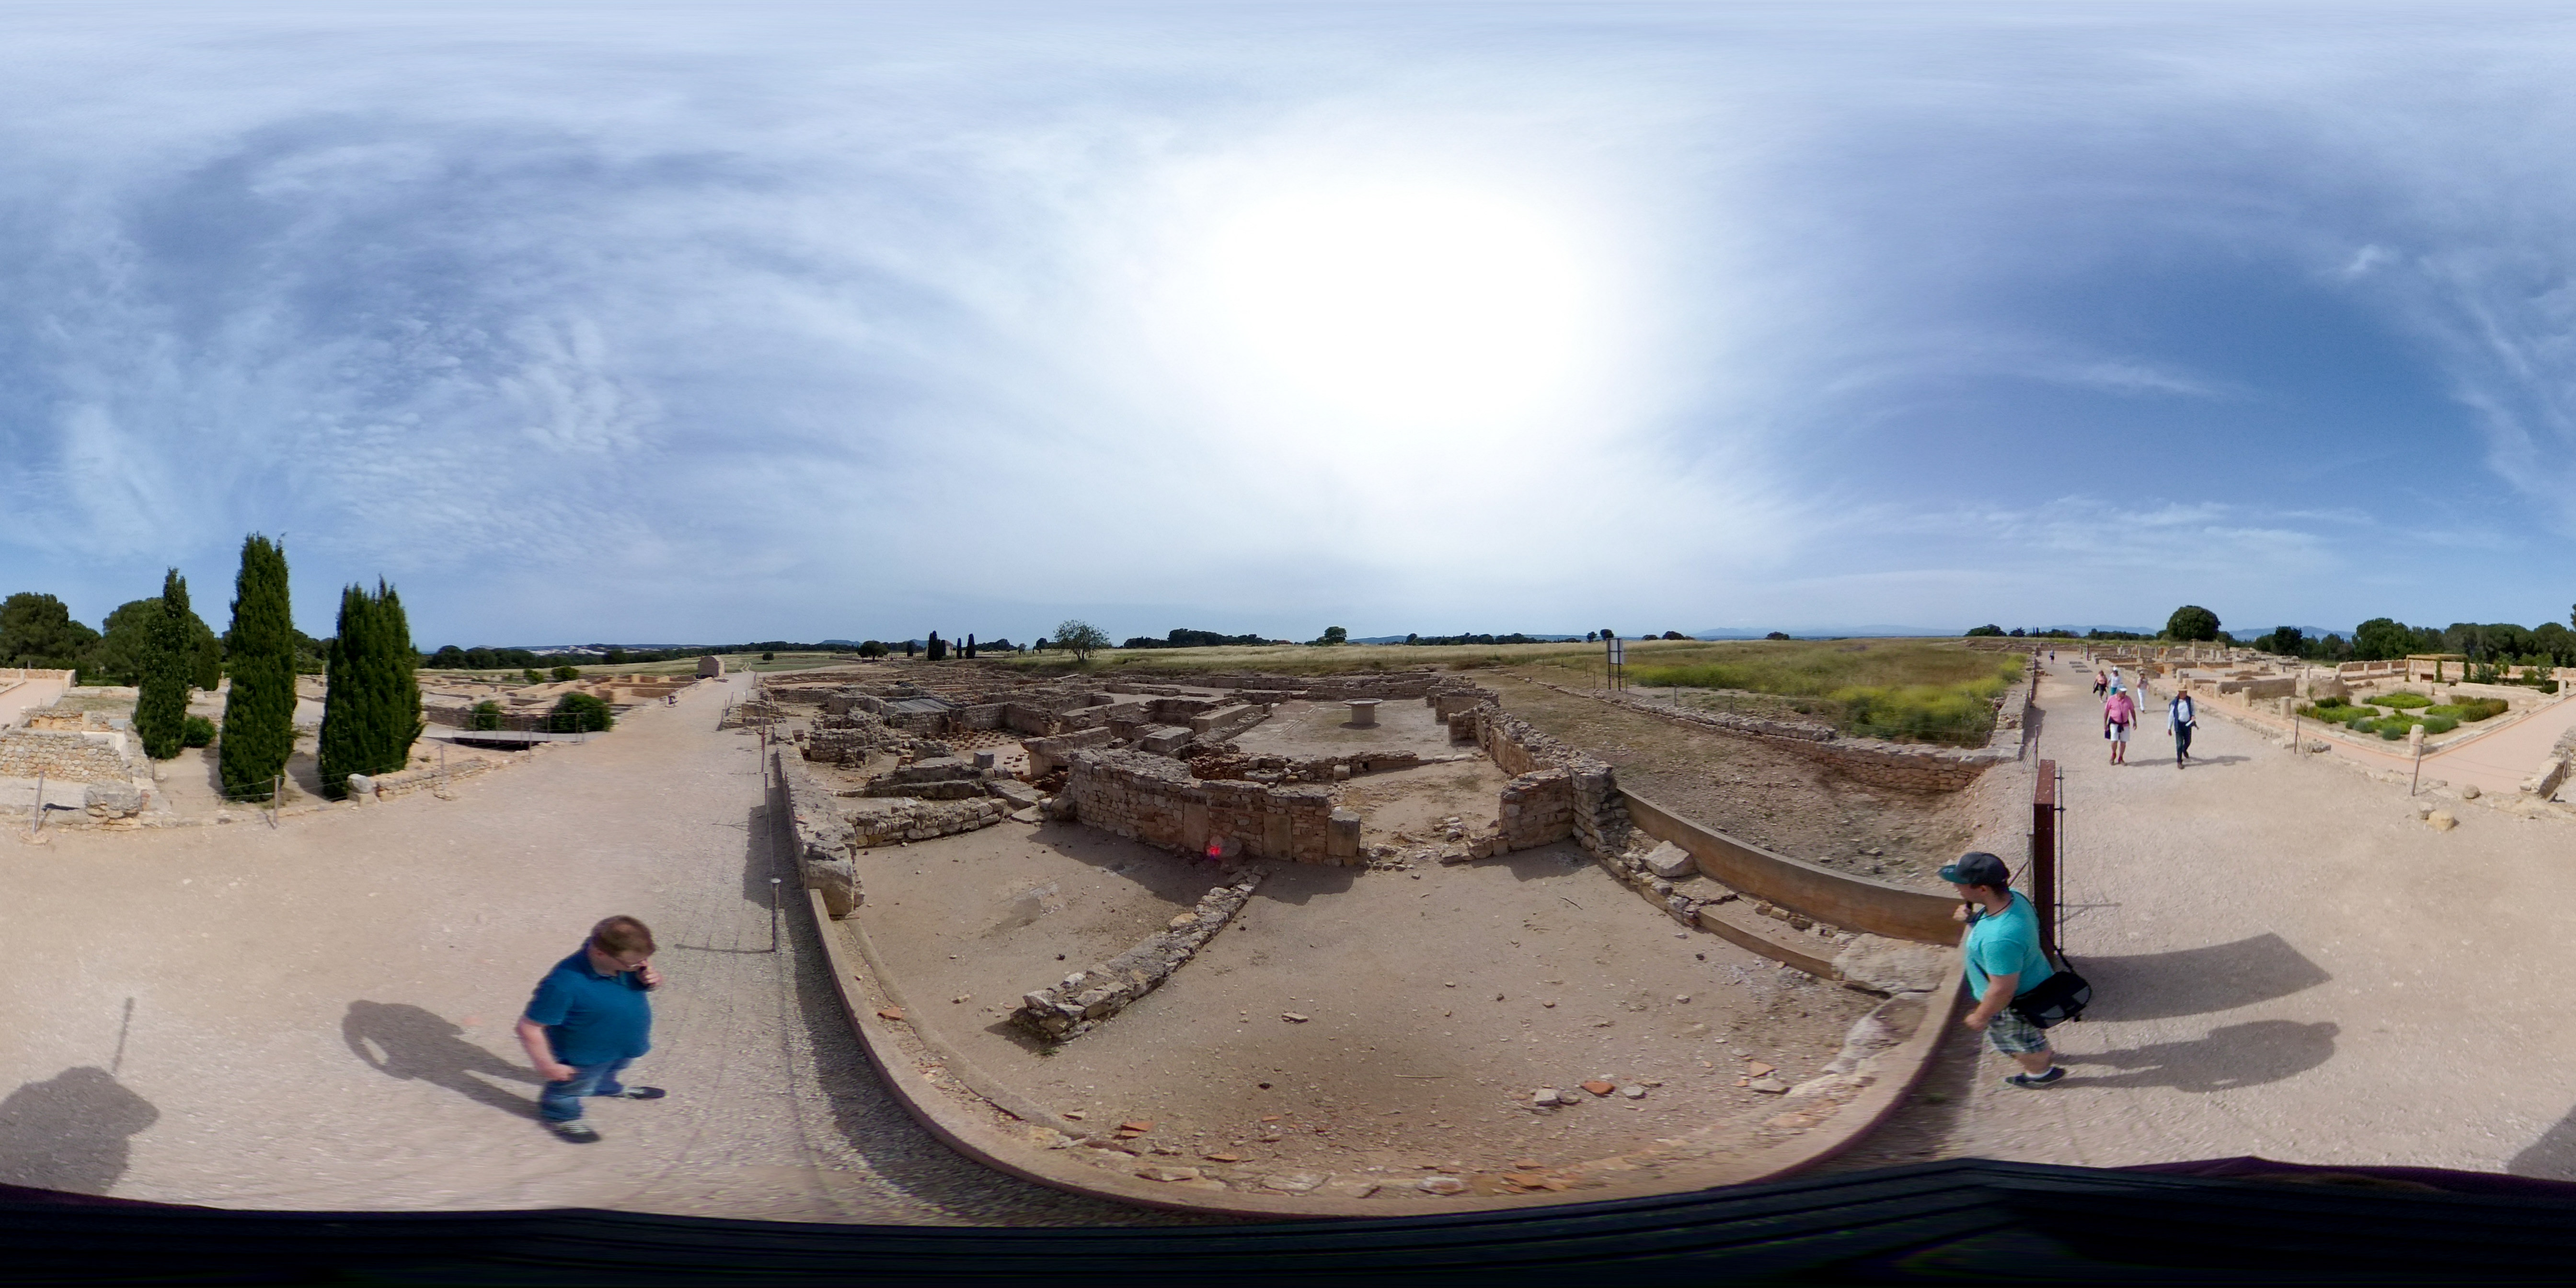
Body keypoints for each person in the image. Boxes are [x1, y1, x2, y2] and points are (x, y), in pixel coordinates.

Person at [517, 915, 667, 1143]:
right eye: (632, 964)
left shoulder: (626, 960)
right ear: (600, 954)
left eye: (645, 960)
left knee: (612, 1069)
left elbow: (641, 971)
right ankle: (560, 1115)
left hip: (624, 1045)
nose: (641, 966)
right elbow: (528, 1028)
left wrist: (653, 979)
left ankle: (603, 1087)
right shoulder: (564, 984)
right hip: (585, 1055)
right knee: (568, 1088)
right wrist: (547, 1065)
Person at [1942, 851, 2062, 1089]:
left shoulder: (1999, 939)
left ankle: (2041, 1072)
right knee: (2030, 1030)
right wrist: (1973, 920)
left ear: (1983, 889)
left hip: (2014, 1004)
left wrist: (1980, 1016)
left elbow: (2002, 990)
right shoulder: (2015, 898)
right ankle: (2039, 1050)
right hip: (2037, 983)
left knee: (2016, 1040)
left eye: (1960, 883)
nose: (1955, 887)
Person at [2167, 683, 2197, 767]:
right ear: (2180, 692)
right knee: (2179, 744)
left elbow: (2193, 709)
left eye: (2186, 692)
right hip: (2179, 725)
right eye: (2183, 692)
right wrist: (2169, 727)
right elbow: (2171, 715)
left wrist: (2193, 716)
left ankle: (2184, 750)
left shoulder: (2190, 700)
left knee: (2188, 741)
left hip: (2187, 724)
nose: (2185, 693)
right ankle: (2179, 761)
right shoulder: (2175, 703)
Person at [2104, 686, 2135, 764]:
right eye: (2122, 692)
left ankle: (2121, 758)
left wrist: (2135, 721)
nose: (2124, 694)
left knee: (2123, 742)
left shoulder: (2128, 699)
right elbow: (2107, 711)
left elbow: (2132, 710)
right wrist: (2105, 723)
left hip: (2125, 723)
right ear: (2118, 692)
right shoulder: (2111, 699)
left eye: (2125, 692)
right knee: (2114, 741)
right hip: (2114, 722)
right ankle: (2114, 754)